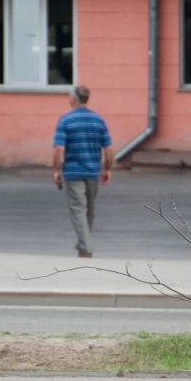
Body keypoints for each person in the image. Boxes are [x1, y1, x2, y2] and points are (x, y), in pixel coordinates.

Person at [52, 85, 114, 258]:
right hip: (93, 171)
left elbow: (58, 148)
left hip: (73, 171)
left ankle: (86, 247)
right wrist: (108, 168)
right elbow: (108, 148)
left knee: (78, 209)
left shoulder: (65, 120)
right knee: (89, 210)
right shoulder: (99, 120)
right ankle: (83, 241)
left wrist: (56, 169)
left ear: (73, 99)